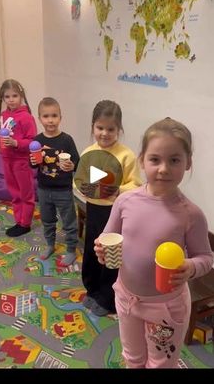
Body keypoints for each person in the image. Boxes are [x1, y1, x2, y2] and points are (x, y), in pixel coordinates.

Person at [94, 117, 214, 368]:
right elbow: (107, 238)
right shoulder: (125, 201)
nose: (163, 168)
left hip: (166, 308)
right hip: (127, 298)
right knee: (132, 358)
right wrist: (101, 250)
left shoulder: (190, 214)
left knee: (160, 364)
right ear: (142, 160)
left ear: (188, 163)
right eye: (155, 159)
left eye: (174, 160)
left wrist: (190, 267)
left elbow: (206, 258)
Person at [74, 100, 142, 316]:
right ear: (93, 126)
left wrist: (117, 190)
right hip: (93, 209)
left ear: (119, 129)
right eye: (100, 128)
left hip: (115, 212)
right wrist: (84, 187)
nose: (104, 133)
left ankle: (108, 297)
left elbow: (136, 185)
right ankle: (92, 289)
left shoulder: (126, 155)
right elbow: (81, 178)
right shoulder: (88, 152)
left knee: (110, 255)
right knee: (92, 250)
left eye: (110, 129)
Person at [30, 97, 79, 264]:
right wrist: (34, 161)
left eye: (54, 116)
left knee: (69, 222)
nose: (50, 120)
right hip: (44, 189)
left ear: (60, 117)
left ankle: (71, 249)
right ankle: (50, 244)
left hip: (63, 189)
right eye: (46, 116)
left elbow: (77, 162)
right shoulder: (37, 141)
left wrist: (71, 165)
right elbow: (32, 163)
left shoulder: (67, 139)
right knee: (47, 220)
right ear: (39, 118)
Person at [0, 79, 37, 237]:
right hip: (6, 159)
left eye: (14, 95)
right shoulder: (4, 115)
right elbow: (2, 139)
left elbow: (32, 141)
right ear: (2, 99)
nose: (11, 99)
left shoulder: (26, 117)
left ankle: (25, 223)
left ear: (21, 96)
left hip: (20, 161)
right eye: (7, 96)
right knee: (14, 192)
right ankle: (19, 221)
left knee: (25, 192)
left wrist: (16, 142)